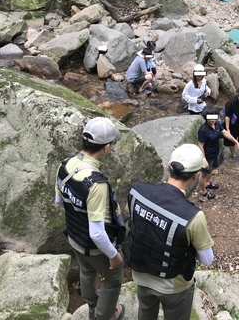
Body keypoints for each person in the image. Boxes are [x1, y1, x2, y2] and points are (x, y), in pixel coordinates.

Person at [124, 144, 214, 320]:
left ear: (168, 166)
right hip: (173, 285)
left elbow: (135, 221)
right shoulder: (193, 216)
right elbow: (207, 259)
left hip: (140, 273)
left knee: (146, 312)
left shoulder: (137, 191)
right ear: (196, 176)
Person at [55, 117, 125, 320]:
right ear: (106, 147)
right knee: (113, 279)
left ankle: (93, 305)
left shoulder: (64, 166)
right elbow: (97, 233)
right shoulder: (96, 184)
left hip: (74, 236)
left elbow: (59, 200)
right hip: (93, 244)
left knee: (87, 271)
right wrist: (114, 256)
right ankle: (103, 316)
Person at [197, 106, 239, 201]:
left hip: (215, 153)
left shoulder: (217, 124)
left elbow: (225, 133)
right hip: (207, 155)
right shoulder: (203, 130)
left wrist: (237, 142)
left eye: (214, 117)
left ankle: (208, 183)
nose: (213, 119)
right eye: (210, 118)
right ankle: (203, 190)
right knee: (203, 174)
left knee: (212, 169)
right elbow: (200, 145)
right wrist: (204, 159)